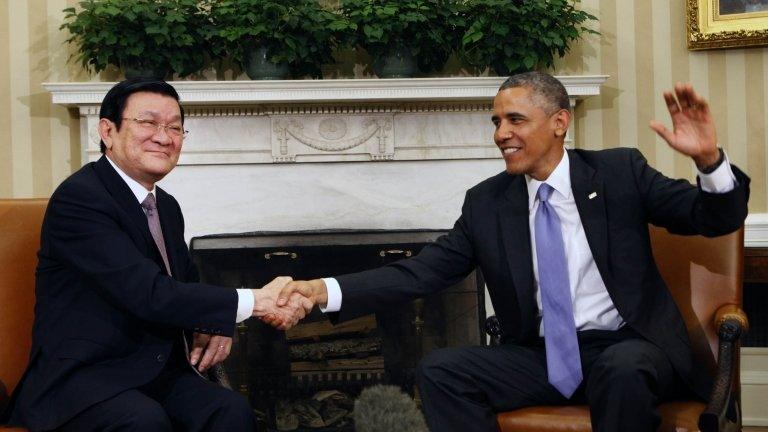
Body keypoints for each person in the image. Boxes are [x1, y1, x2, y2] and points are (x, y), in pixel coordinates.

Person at [272, 71, 750, 431]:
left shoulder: (619, 173)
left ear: (559, 122)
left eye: (516, 119)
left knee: (622, 369)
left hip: (627, 346)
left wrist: (708, 161)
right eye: (496, 121)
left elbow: (715, 217)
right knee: (441, 370)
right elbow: (422, 272)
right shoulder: (487, 202)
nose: (501, 133)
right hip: (541, 356)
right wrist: (321, 290)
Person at [2, 78, 308, 432]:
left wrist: (214, 323)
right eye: (147, 123)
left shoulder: (165, 206)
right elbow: (148, 293)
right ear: (108, 131)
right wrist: (256, 301)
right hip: (86, 378)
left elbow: (186, 281)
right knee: (144, 421)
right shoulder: (81, 199)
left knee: (228, 409)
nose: (164, 137)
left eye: (175, 127)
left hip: (153, 370)